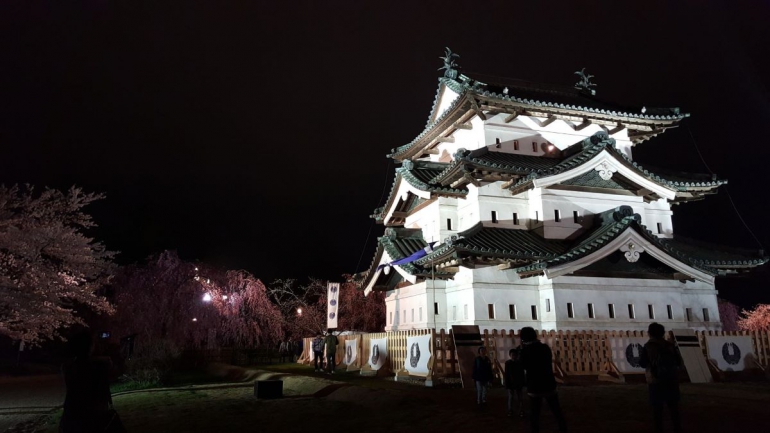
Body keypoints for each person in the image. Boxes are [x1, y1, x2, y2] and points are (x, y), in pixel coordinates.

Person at [60, 330, 125, 433]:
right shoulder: (99, 366)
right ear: (90, 347)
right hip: (95, 415)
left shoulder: (68, 367)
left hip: (71, 414)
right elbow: (114, 375)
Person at [520, 327, 567, 433]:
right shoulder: (544, 348)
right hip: (548, 383)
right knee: (556, 410)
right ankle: (563, 429)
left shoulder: (525, 351)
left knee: (535, 413)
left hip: (534, 385)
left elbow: (523, 365)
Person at [639, 322, 682, 433]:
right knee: (673, 408)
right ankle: (677, 428)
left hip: (655, 380)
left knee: (657, 410)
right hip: (671, 379)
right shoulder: (669, 345)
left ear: (649, 333)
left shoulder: (649, 346)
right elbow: (678, 361)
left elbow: (643, 363)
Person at [505, 347, 526, 418]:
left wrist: (523, 382)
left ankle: (520, 410)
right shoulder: (508, 363)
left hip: (517, 382)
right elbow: (507, 374)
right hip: (511, 383)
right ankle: (511, 410)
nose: (513, 356)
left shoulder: (518, 363)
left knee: (519, 397)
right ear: (510, 355)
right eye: (512, 355)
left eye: (514, 355)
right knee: (512, 397)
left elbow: (522, 374)